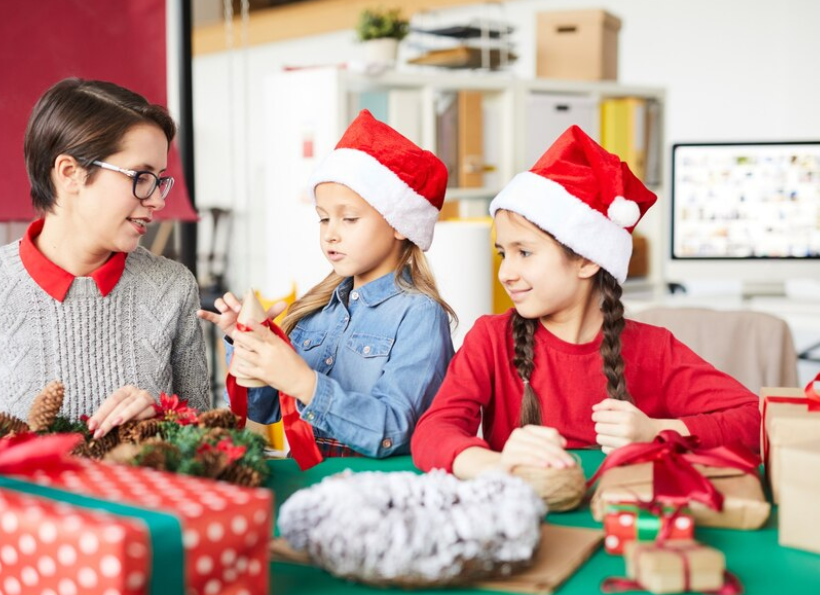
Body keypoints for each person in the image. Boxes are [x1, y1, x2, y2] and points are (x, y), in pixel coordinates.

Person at [411, 125, 760, 478]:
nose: (506, 273)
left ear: (587, 259)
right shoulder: (490, 339)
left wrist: (656, 432)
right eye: (504, 254)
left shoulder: (653, 349)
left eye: (525, 252)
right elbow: (432, 432)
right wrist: (499, 463)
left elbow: (754, 420)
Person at [0, 78, 209, 442]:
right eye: (142, 177)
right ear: (70, 173)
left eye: (159, 180)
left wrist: (164, 420)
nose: (157, 200)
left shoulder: (173, 288)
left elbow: (209, 439)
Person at [199, 110, 455, 458]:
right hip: (310, 487)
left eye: (349, 218)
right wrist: (248, 344)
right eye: (323, 218)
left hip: (375, 495)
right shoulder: (315, 311)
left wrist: (305, 383)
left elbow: (392, 430)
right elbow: (264, 410)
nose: (331, 233)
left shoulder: (419, 315)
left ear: (400, 223)